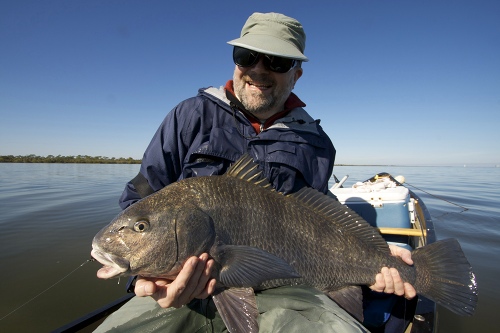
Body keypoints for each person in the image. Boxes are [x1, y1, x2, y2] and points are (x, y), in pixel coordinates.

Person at [95, 12, 416, 333]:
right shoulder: (189, 115)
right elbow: (141, 202)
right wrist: (145, 275)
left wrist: (373, 249)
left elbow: (321, 212)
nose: (259, 69)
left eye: (277, 62)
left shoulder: (316, 143)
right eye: (246, 56)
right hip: (182, 287)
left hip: (289, 287)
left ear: (297, 74)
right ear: (235, 61)